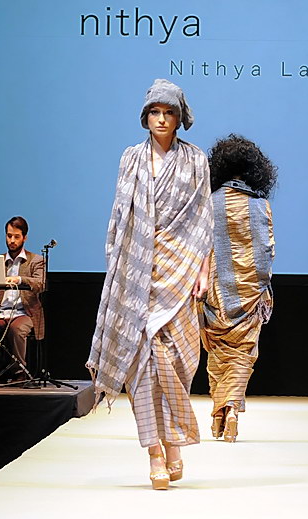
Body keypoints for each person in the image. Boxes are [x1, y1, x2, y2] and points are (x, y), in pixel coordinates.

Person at [87, 79, 213, 490]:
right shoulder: (131, 158)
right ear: (145, 116)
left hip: (180, 271)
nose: (161, 119)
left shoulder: (196, 160)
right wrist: (118, 267)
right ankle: (156, 452)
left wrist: (202, 271)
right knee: (141, 361)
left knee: (178, 360)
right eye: (155, 112)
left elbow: (204, 222)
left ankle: (174, 442)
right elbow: (118, 215)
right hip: (137, 272)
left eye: (169, 112)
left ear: (180, 117)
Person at [200, 134, 277, 443]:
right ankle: (231, 410)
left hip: (215, 293)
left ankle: (218, 416)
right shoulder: (260, 206)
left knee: (217, 354)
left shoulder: (208, 203)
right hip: (249, 294)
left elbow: (200, 249)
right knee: (242, 354)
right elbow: (266, 252)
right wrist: (259, 287)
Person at [0, 216, 45, 381]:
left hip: (25, 313)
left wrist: (19, 279)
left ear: (24, 238)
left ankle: (20, 372)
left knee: (16, 330)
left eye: (16, 236)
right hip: (1, 312)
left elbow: (40, 283)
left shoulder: (36, 261)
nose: (12, 240)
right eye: (9, 236)